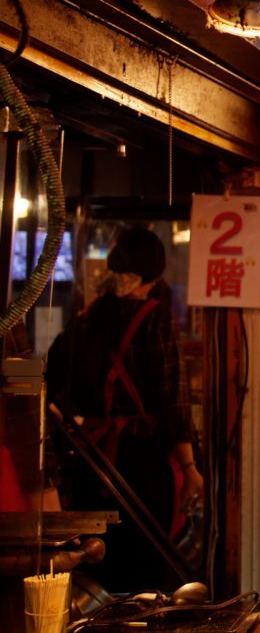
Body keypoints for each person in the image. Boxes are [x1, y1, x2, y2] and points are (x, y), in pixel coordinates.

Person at [46, 227, 200, 593]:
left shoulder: (86, 317)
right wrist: (190, 468)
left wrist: (80, 425)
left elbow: (51, 385)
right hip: (140, 466)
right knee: (145, 575)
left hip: (90, 463)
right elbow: (172, 398)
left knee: (97, 571)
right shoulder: (155, 317)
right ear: (156, 271)